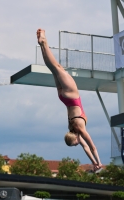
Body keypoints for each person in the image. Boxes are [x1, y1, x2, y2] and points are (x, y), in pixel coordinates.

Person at [37, 29, 102, 172]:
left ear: (75, 139)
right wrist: (94, 164)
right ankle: (43, 45)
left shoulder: (80, 128)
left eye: (75, 144)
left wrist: (99, 162)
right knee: (53, 68)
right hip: (63, 97)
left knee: (57, 67)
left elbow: (92, 146)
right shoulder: (72, 128)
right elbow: (86, 148)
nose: (78, 144)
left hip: (72, 96)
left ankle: (44, 42)